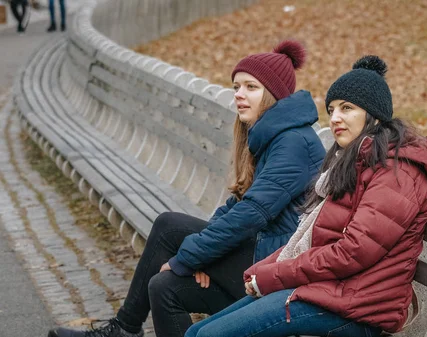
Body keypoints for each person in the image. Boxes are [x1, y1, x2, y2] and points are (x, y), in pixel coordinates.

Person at [48, 40, 326, 337]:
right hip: (259, 250)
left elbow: (250, 214)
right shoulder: (273, 136)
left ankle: (125, 328)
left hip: (277, 262)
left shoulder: (293, 143)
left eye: (251, 88)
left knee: (169, 229)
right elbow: (238, 204)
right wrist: (202, 255)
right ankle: (126, 327)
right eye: (236, 87)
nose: (239, 96)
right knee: (164, 285)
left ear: (273, 95)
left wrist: (191, 256)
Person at [185, 55, 427, 337]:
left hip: (359, 307)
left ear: (374, 115)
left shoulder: (397, 173)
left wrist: (271, 276)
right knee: (197, 333)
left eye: (347, 108)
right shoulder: (355, 163)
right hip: (331, 291)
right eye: (332, 109)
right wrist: (262, 269)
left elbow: (352, 252)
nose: (335, 118)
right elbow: (314, 238)